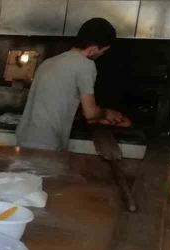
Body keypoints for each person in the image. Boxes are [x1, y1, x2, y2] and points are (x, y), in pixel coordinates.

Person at [16, 18, 131, 151]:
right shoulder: (86, 65)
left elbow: (53, 102)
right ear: (93, 49)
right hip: (46, 143)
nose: (102, 55)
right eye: (103, 51)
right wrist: (107, 113)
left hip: (23, 137)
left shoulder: (48, 62)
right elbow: (91, 114)